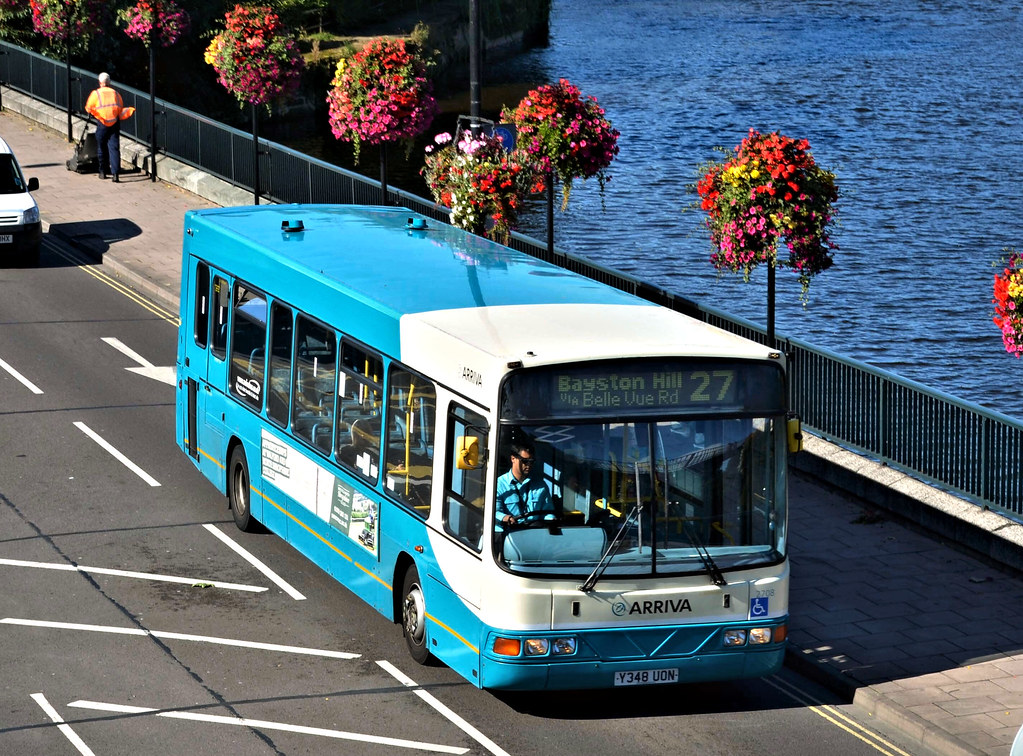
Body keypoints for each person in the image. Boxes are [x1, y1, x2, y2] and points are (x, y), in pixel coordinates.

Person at [85, 73, 135, 183]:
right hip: (114, 123)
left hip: (102, 123)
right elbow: (120, 108)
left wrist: (96, 113)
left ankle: (103, 171)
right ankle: (115, 174)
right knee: (114, 148)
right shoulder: (116, 94)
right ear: (109, 82)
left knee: (101, 147)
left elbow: (88, 108)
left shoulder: (96, 94)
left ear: (100, 83)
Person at [496, 439, 554, 528]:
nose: (529, 465)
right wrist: (505, 517)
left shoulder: (541, 486)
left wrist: (551, 521)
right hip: (508, 535)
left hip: (534, 534)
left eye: (531, 461)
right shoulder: (498, 484)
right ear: (513, 459)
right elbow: (493, 512)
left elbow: (548, 512)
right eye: (525, 461)